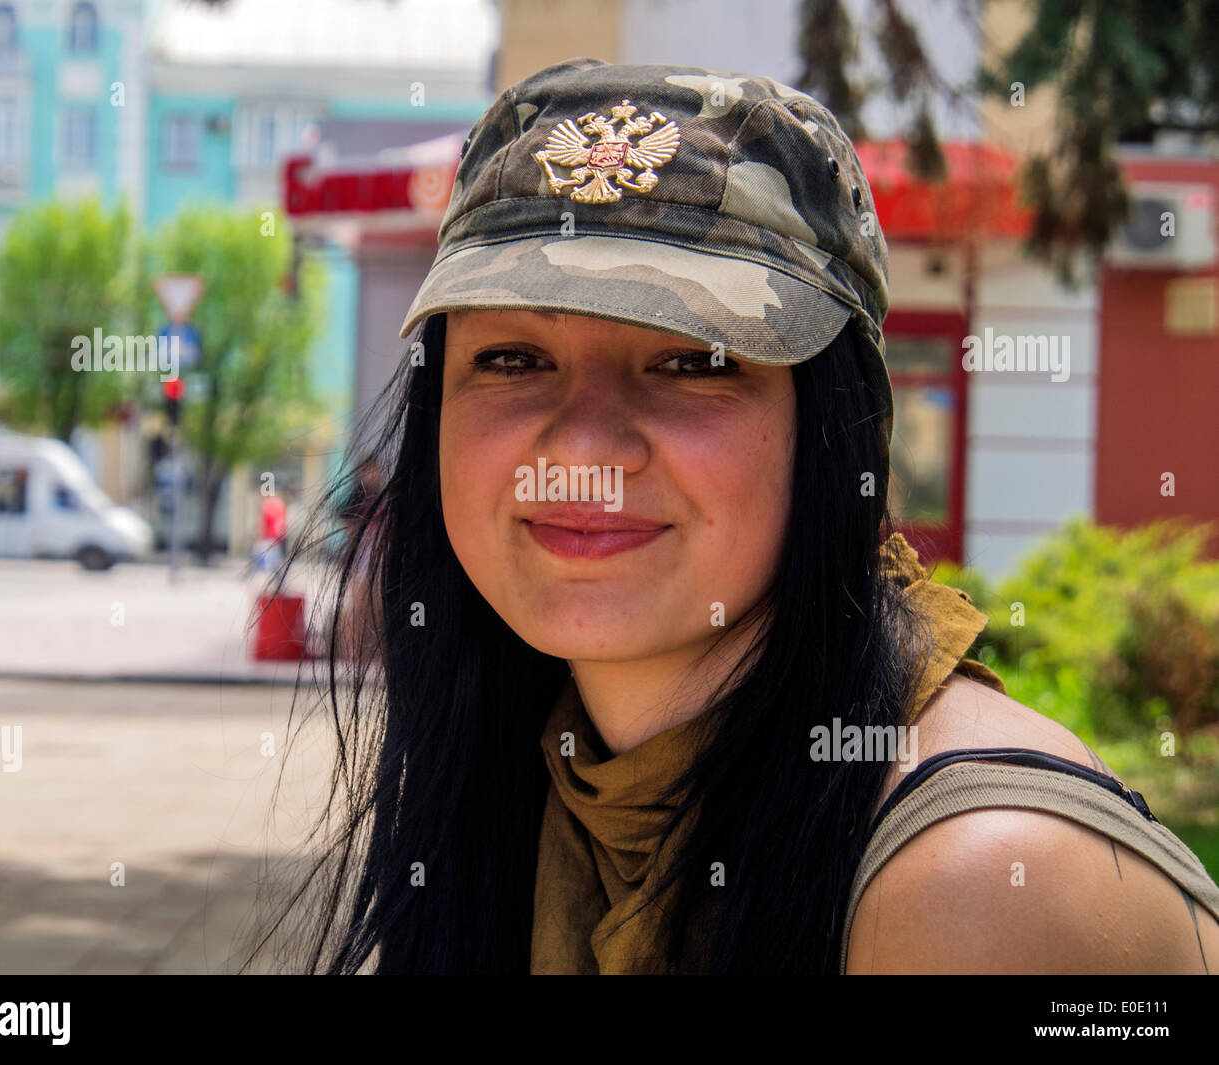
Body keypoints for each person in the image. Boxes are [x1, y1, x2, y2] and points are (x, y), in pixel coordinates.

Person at [259, 59, 1219, 974]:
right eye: (513, 358)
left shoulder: (981, 892)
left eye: (695, 361)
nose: (583, 451)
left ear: (837, 430)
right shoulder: (536, 779)